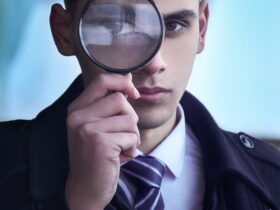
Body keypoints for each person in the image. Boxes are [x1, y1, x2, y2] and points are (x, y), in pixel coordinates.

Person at [0, 0, 279, 209]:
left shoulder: (272, 181)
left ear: (202, 29)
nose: (153, 63)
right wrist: (78, 202)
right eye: (116, 27)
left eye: (174, 25)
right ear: (65, 33)